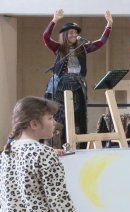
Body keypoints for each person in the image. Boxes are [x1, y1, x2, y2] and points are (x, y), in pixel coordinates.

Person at [43, 9, 113, 145]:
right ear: (64, 35)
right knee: (61, 118)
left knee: (79, 117)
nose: (74, 35)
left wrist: (109, 24)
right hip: (60, 87)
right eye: (71, 33)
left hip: (78, 86)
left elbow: (101, 42)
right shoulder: (58, 48)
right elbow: (46, 36)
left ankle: (79, 146)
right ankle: (62, 144)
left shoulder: (83, 48)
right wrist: (54, 20)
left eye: (76, 33)